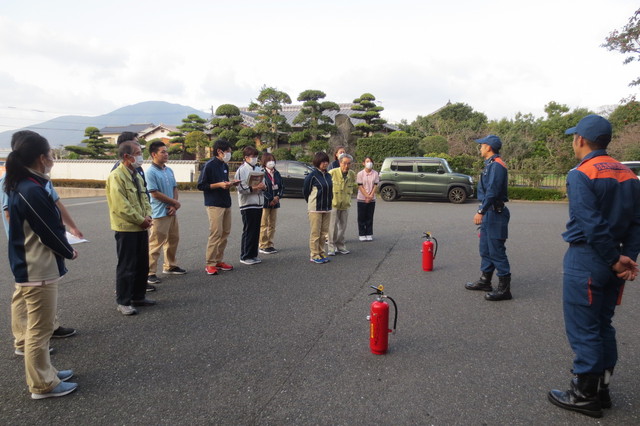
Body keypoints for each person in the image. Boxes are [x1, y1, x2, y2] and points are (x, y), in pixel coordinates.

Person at [548, 115, 640, 418]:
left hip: (588, 259)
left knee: (584, 328)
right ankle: (602, 389)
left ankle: (584, 394)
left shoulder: (581, 173)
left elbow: (591, 224)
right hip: (617, 260)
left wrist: (614, 260)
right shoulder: (628, 174)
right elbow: (637, 223)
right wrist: (627, 259)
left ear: (580, 140)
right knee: (603, 325)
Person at [4, 131, 78, 399]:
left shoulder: (23, 183)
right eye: (50, 154)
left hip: (32, 265)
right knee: (39, 328)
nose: (52, 159)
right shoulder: (31, 189)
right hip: (36, 268)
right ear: (41, 158)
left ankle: (46, 373)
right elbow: (47, 230)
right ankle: (42, 385)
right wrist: (68, 251)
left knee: (40, 326)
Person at [106, 141, 156, 315]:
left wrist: (148, 216)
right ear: (127, 156)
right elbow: (121, 206)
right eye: (137, 152)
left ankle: (138, 296)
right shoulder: (116, 176)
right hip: (126, 228)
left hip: (141, 226)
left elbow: (145, 198)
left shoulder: (136, 174)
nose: (141, 156)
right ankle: (124, 301)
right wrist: (140, 219)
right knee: (127, 265)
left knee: (142, 264)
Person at [464, 135, 512, 301]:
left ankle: (504, 289)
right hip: (490, 212)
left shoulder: (497, 166)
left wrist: (481, 211)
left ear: (489, 147)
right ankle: (485, 281)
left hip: (494, 213)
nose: (480, 148)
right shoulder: (491, 164)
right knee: (485, 249)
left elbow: (492, 191)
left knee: (496, 251)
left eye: (482, 145)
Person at [145, 141, 186, 285]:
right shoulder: (150, 172)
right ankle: (150, 272)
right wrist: (174, 203)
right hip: (159, 212)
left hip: (171, 211)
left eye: (166, 151)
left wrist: (174, 204)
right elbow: (154, 193)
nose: (166, 154)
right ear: (153, 154)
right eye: (163, 152)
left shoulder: (169, 170)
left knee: (173, 239)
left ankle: (170, 265)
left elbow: (175, 188)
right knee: (155, 243)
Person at [197, 139, 239, 275]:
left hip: (226, 202)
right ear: (219, 151)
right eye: (227, 152)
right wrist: (219, 185)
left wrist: (231, 183)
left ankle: (218, 260)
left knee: (225, 232)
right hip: (214, 203)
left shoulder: (224, 165)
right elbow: (201, 185)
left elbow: (224, 183)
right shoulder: (209, 165)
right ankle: (210, 263)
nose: (229, 154)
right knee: (216, 233)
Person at [235, 146, 266, 265]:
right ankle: (245, 255)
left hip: (258, 203)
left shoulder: (258, 168)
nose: (254, 159)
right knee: (249, 230)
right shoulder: (241, 170)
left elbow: (264, 184)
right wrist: (254, 188)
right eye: (252, 157)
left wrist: (263, 187)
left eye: (255, 156)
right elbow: (241, 188)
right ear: (246, 157)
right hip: (247, 204)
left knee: (256, 230)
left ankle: (253, 254)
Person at [303, 152, 333, 264]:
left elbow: (330, 190)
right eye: (322, 161)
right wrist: (311, 202)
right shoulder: (312, 176)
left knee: (324, 233)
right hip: (315, 208)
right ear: (317, 162)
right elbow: (306, 191)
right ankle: (314, 254)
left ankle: (321, 252)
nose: (325, 164)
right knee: (315, 233)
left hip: (327, 207)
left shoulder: (328, 175)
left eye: (326, 161)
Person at [328, 153, 356, 255]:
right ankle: (331, 247)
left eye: (349, 163)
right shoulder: (332, 172)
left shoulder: (352, 174)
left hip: (345, 204)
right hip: (333, 204)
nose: (346, 166)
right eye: (344, 163)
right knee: (332, 227)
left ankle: (340, 246)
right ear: (340, 163)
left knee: (343, 227)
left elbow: (353, 186)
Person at [258, 152, 284, 255]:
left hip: (275, 202)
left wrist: (277, 197)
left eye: (272, 160)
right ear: (264, 162)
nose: (271, 162)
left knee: (272, 224)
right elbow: (261, 189)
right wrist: (270, 199)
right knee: (264, 224)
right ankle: (263, 245)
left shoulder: (277, 173)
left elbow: (282, 186)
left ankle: (270, 244)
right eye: (269, 160)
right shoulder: (261, 173)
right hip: (265, 203)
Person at [356, 156, 380, 241]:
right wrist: (366, 195)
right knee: (361, 217)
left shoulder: (375, 173)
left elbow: (375, 185)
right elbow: (360, 186)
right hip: (361, 199)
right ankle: (362, 234)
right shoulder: (360, 174)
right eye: (367, 161)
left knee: (369, 217)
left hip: (372, 199)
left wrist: (370, 196)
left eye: (370, 161)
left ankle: (369, 233)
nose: (369, 163)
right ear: (363, 163)